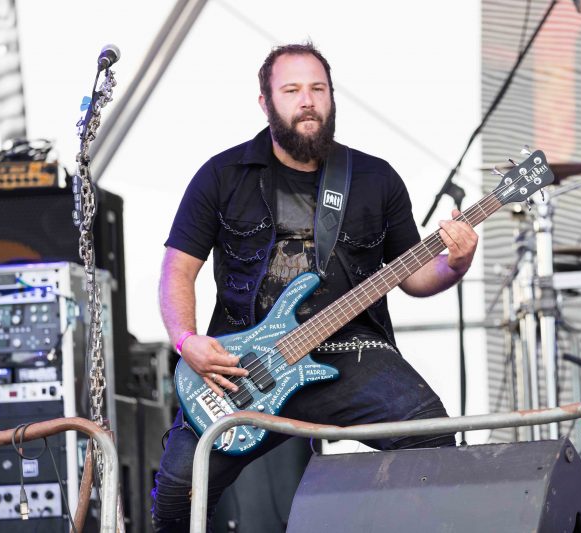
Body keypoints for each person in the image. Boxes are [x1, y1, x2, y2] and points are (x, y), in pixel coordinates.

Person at [151, 42, 479, 531]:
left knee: (432, 439)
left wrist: (456, 263)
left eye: (318, 89)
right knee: (178, 491)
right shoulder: (222, 176)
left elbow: (413, 275)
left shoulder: (374, 178)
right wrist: (186, 340)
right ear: (265, 102)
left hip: (350, 350)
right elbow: (177, 271)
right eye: (292, 90)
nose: (307, 101)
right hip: (244, 363)